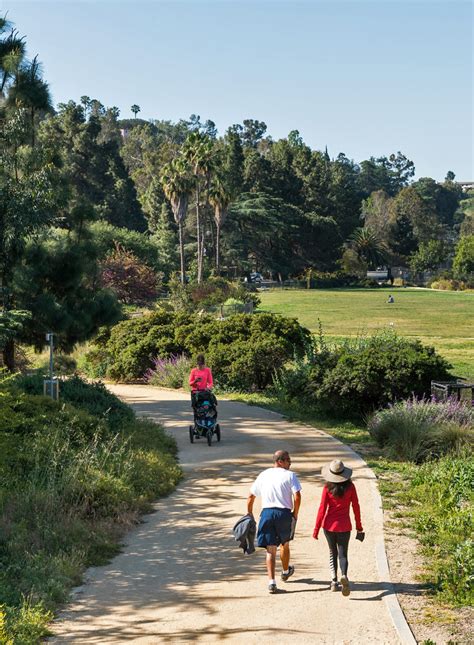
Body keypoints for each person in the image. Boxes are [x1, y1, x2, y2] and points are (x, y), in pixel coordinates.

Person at [247, 450, 302, 594]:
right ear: (280, 461)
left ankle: (271, 583)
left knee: (270, 549)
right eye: (288, 460)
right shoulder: (290, 475)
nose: (290, 463)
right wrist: (295, 514)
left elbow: (251, 496)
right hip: (284, 514)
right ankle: (285, 571)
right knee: (285, 543)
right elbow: (297, 496)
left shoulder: (264, 474)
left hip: (267, 514)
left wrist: (250, 514)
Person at [313, 459, 363, 597]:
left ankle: (334, 582)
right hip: (345, 526)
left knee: (332, 552)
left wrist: (316, 529)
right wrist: (359, 527)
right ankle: (344, 575)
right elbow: (356, 507)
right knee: (343, 554)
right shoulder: (351, 487)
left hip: (329, 526)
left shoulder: (327, 488)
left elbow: (322, 509)